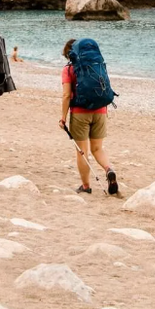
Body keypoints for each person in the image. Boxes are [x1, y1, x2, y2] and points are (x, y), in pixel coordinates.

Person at [59, 39, 118, 195]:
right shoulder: (96, 65)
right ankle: (109, 169)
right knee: (98, 148)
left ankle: (86, 186)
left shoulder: (68, 70)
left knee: (82, 151)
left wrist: (63, 118)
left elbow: (66, 95)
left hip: (80, 113)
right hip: (100, 111)